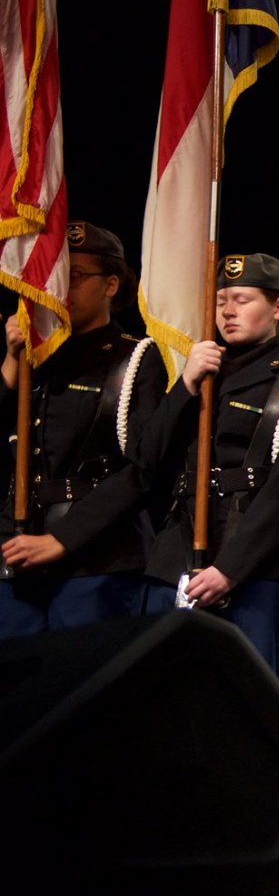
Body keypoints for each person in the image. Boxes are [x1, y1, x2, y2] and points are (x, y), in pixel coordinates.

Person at [133, 253, 279, 684]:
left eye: (242, 299)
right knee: (165, 696)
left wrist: (230, 569)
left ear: (278, 307)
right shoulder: (200, 373)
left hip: (257, 561)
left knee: (249, 694)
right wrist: (186, 384)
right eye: (220, 301)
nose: (227, 311)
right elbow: (146, 459)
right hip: (178, 553)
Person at [0, 223, 164, 638]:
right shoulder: (34, 355)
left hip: (97, 558)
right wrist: (12, 361)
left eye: (74, 276)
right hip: (15, 547)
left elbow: (143, 468)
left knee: (85, 675)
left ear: (111, 285)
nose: (60, 288)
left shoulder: (136, 359)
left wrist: (63, 539)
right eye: (55, 276)